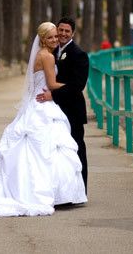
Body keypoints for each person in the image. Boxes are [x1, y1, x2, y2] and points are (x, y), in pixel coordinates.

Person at [0, 22, 87, 217]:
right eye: (51, 37)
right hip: (42, 105)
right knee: (46, 151)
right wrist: (73, 85)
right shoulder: (47, 56)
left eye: (57, 36)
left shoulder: (42, 54)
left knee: (40, 150)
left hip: (36, 103)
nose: (56, 39)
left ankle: (45, 192)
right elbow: (52, 83)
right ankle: (46, 193)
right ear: (42, 39)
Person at [36, 17, 89, 193]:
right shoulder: (51, 50)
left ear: (72, 33)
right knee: (57, 151)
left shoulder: (79, 54)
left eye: (67, 31)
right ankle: (60, 191)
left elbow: (78, 86)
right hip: (53, 111)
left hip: (72, 109)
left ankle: (81, 190)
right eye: (61, 30)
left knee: (76, 147)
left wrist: (53, 94)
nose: (63, 34)